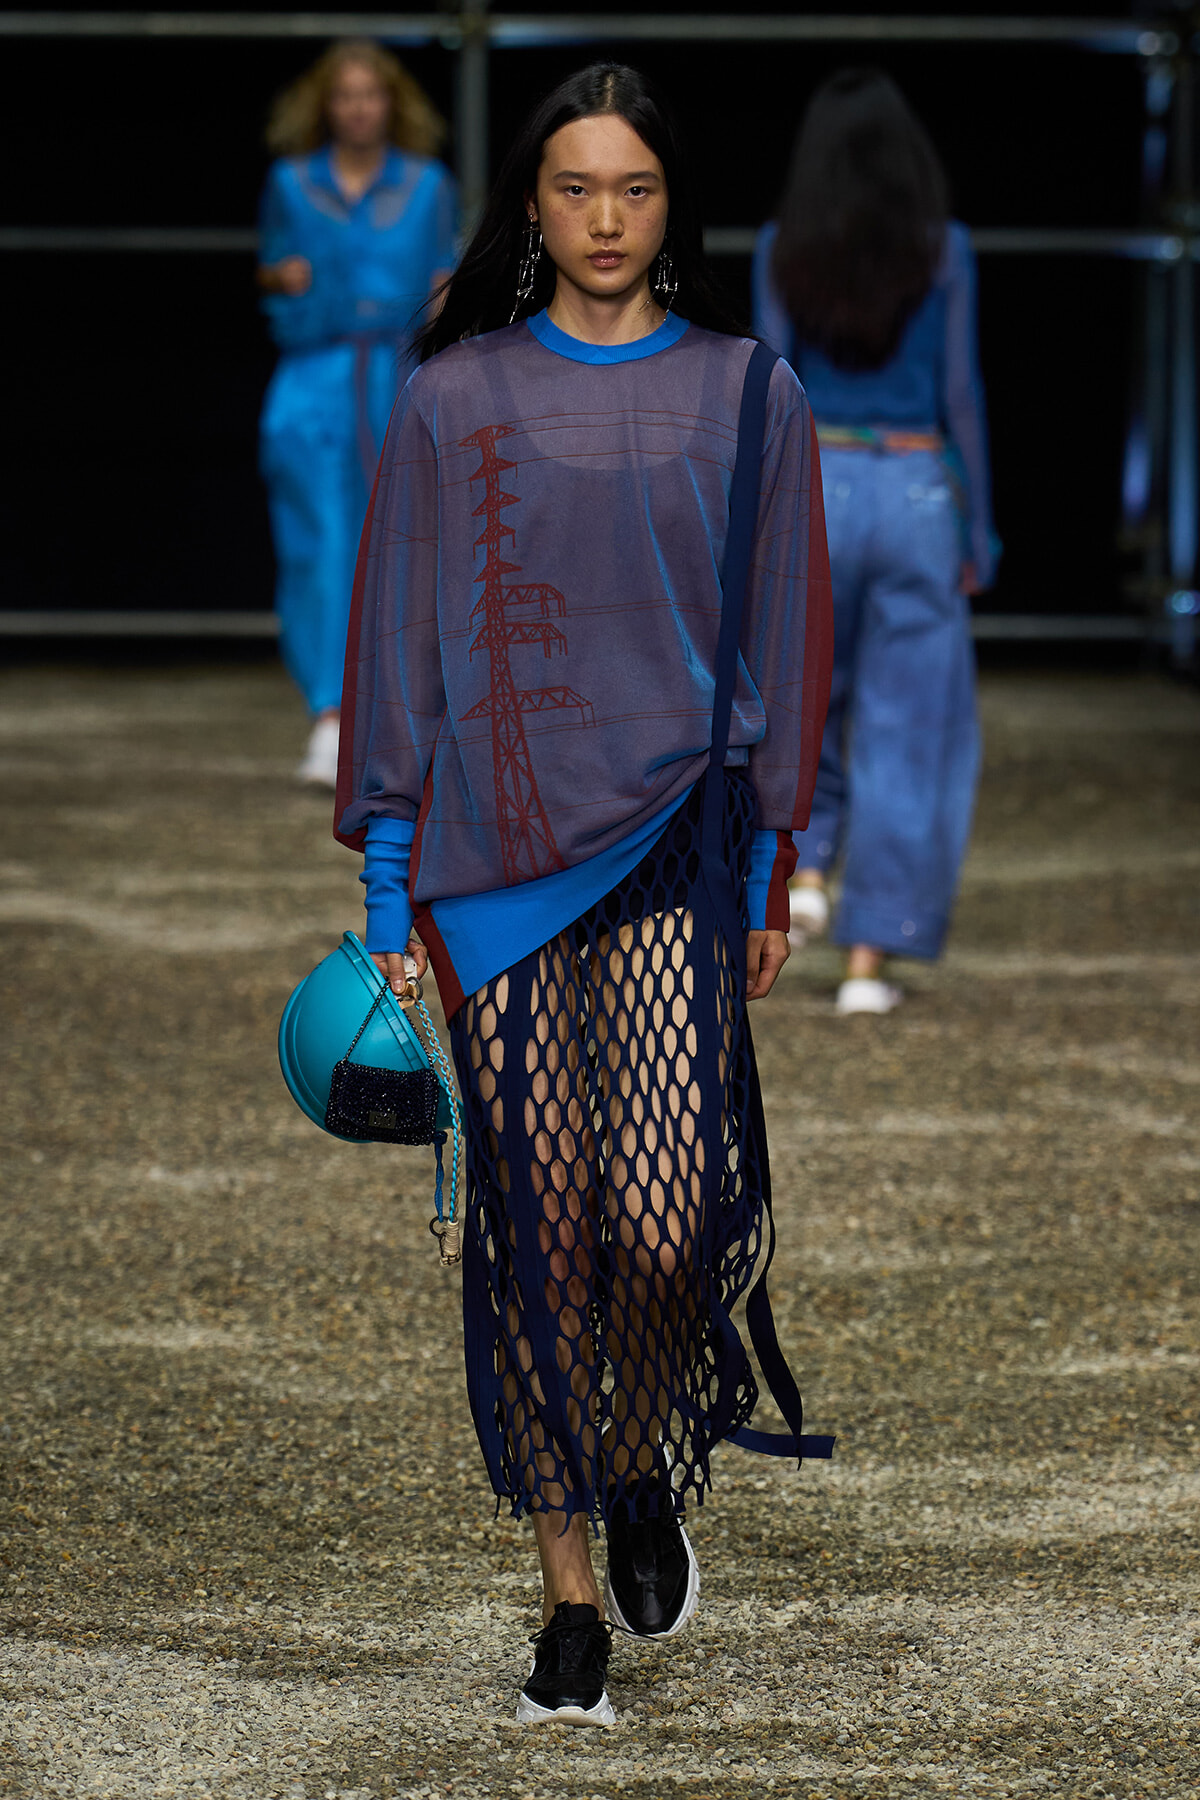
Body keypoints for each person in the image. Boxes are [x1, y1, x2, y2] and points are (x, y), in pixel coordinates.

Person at [333, 62, 834, 1727]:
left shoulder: (748, 391)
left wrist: (773, 856)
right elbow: (398, 639)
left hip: (673, 837)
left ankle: (633, 1460)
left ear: (671, 203)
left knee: (670, 1224)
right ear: (530, 205)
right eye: (573, 187)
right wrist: (389, 880)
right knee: (541, 1229)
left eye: (634, 187)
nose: (605, 218)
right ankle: (564, 1607)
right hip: (491, 851)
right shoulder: (452, 398)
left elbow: (788, 631)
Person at [753, 68, 1000, 1015]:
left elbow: (773, 389)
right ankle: (867, 962)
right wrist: (978, 525)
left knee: (801, 700)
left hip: (816, 482)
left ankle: (807, 871)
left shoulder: (781, 246)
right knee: (912, 727)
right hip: (913, 485)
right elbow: (961, 391)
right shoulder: (946, 247)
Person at [257, 40, 458, 787]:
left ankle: (403, 719)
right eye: (345, 95)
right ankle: (329, 714)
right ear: (326, 105)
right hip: (315, 376)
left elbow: (444, 275)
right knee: (318, 542)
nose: (358, 108)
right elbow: (272, 269)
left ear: (391, 102)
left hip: (401, 377)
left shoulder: (427, 184)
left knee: (413, 542)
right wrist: (281, 280)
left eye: (370, 94)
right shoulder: (291, 182)